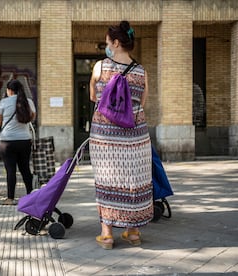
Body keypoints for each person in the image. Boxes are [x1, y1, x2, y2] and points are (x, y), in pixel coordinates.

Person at [89, 21, 153, 249]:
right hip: (135, 136)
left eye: (107, 42)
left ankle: (107, 235)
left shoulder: (100, 67)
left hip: (105, 136)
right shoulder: (141, 71)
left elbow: (94, 98)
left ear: (115, 43)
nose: (106, 46)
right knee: (133, 181)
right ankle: (133, 233)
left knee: (106, 180)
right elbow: (142, 103)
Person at [0, 79, 36, 205]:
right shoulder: (28, 102)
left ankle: (10, 198)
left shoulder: (4, 102)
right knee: (25, 169)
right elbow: (32, 117)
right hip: (24, 140)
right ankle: (30, 195)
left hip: (7, 141)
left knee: (11, 170)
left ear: (9, 90)